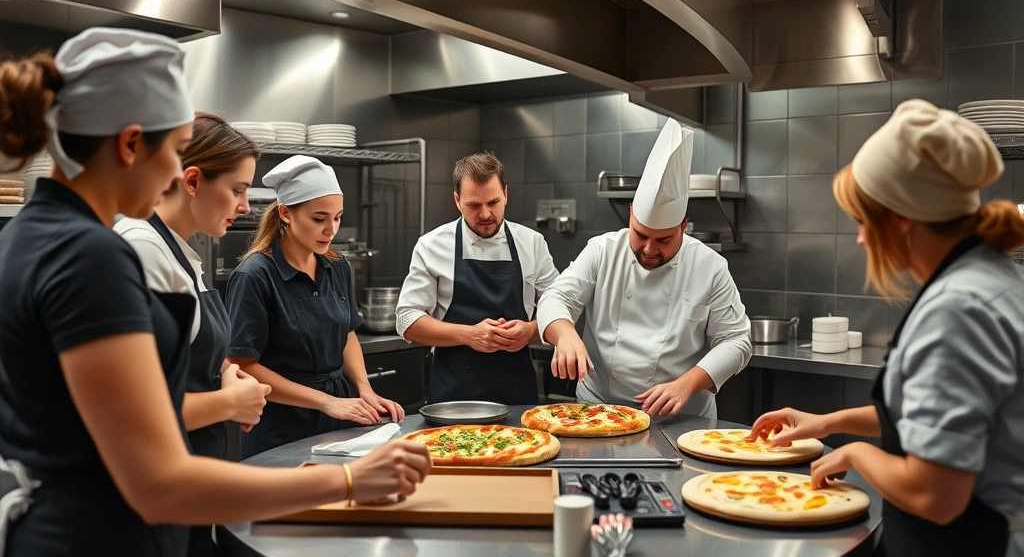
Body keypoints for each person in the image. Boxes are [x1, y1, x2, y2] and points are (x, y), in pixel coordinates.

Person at [0, 28, 429, 557]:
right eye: (177, 151)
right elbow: (161, 484)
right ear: (131, 144)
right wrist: (348, 481)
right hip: (101, 536)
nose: (176, 176)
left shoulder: (24, 235)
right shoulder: (92, 255)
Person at [748, 100, 1024, 557]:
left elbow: (936, 496)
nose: (859, 238)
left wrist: (856, 453)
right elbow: (948, 420)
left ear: (902, 218)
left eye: (862, 220)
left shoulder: (959, 310)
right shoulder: (990, 277)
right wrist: (829, 421)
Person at [114, 111, 273, 556]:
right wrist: (229, 402)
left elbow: (192, 350)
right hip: (156, 492)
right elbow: (132, 417)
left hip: (193, 479)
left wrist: (227, 374)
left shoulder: (183, 252)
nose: (245, 206)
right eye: (238, 190)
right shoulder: (142, 250)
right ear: (192, 180)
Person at [536, 119, 751, 418]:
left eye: (663, 239)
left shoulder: (709, 266)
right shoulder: (603, 250)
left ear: (684, 226)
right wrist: (566, 335)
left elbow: (737, 340)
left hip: (680, 417)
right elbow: (555, 299)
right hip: (598, 410)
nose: (649, 249)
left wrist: (686, 384)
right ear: (630, 215)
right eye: (640, 234)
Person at [226, 155, 405, 459]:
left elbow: (347, 331)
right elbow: (242, 364)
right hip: (281, 423)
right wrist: (324, 401)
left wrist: (364, 388)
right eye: (319, 219)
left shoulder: (337, 266)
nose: (331, 229)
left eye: (337, 217)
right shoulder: (255, 275)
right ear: (285, 213)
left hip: (340, 415)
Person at [396, 153, 559, 404]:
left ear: (506, 194)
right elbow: (407, 320)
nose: (485, 214)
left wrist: (530, 330)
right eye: (474, 205)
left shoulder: (532, 243)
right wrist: (469, 335)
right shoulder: (432, 246)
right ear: (457, 200)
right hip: (454, 394)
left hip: (517, 389)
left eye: (493, 202)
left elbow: (559, 307)